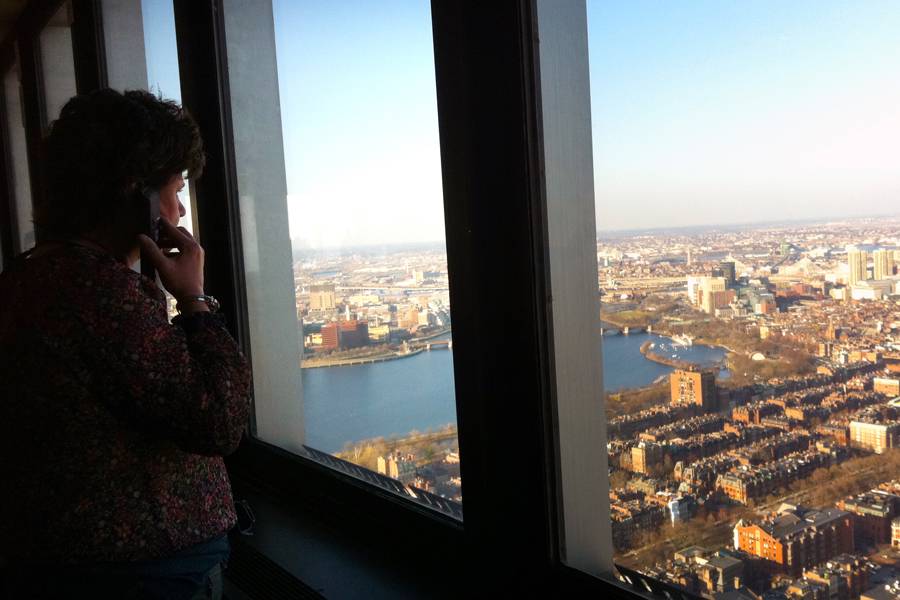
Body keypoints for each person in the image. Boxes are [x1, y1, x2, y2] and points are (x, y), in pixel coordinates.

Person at [0, 89, 252, 599]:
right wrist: (196, 301)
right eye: (175, 190)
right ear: (133, 191)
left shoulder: (30, 276)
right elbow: (219, 419)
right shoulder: (95, 291)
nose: (180, 211)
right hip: (144, 570)